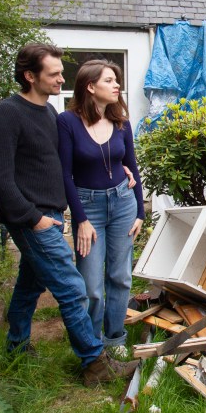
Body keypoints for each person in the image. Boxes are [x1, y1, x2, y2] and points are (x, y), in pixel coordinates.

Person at [0, 43, 138, 386]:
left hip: (51, 213)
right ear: (30, 76)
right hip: (32, 218)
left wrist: (118, 171)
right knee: (73, 288)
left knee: (30, 284)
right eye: (54, 74)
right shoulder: (6, 114)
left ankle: (15, 347)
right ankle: (94, 363)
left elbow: (66, 164)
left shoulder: (49, 115)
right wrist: (32, 217)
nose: (61, 79)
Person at [57, 60, 145, 359]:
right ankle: (92, 346)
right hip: (89, 207)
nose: (116, 85)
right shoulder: (67, 122)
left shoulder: (121, 121)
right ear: (90, 87)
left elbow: (132, 167)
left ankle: (114, 338)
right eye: (109, 80)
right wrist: (80, 219)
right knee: (91, 284)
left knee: (120, 277)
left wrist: (140, 213)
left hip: (123, 202)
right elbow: (65, 175)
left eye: (116, 80)